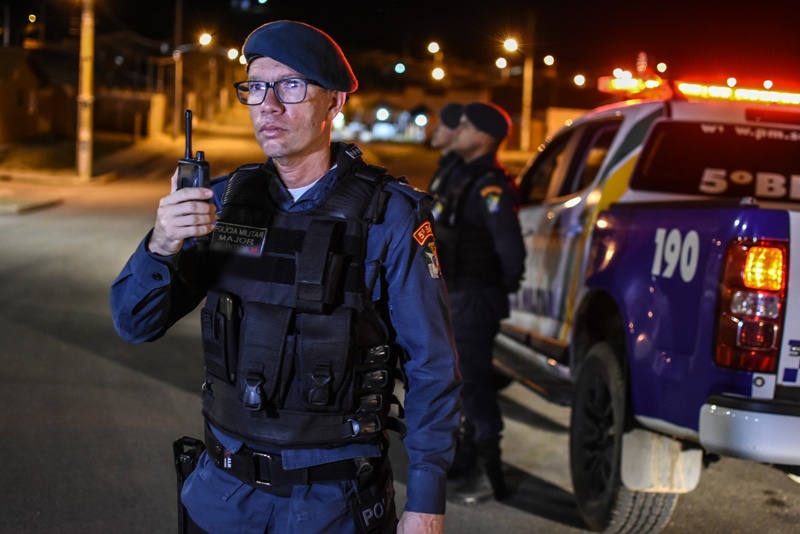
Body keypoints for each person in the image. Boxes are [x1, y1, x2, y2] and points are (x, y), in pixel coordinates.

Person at [110, 20, 461, 534]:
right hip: (221, 497)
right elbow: (133, 323)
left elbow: (433, 366)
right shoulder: (226, 202)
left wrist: (427, 501)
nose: (269, 105)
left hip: (330, 505)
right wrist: (162, 244)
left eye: (291, 85)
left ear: (334, 102)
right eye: (255, 87)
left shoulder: (390, 217)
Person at [430, 101, 525, 505]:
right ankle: (467, 459)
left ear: (484, 138)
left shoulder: (491, 185)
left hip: (475, 296)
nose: (459, 131)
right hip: (460, 293)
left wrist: (495, 285)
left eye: (466, 126)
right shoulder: (462, 175)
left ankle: (490, 475)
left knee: (475, 385)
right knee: (461, 381)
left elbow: (510, 248)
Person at [427, 103, 463, 196]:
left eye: (442, 124)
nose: (434, 129)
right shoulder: (446, 166)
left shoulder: (458, 172)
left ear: (458, 130)